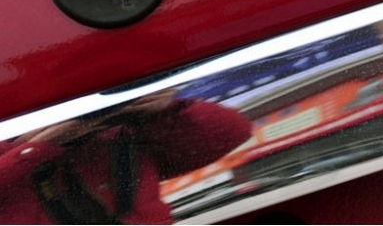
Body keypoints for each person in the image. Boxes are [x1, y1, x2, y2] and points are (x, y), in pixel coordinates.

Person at [0, 90, 251, 224]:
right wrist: (36, 147)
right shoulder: (13, 156)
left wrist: (161, 110)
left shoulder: (123, 135)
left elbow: (232, 132)